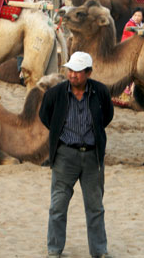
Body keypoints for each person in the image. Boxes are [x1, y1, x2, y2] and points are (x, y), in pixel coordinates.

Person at [39, 51, 114, 258]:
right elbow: (45, 116)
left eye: (78, 72)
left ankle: (99, 251)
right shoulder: (55, 93)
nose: (73, 75)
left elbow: (106, 116)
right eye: (70, 70)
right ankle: (54, 250)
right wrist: (60, 133)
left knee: (95, 207)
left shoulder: (100, 92)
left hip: (92, 156)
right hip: (65, 156)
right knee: (58, 205)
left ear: (88, 73)